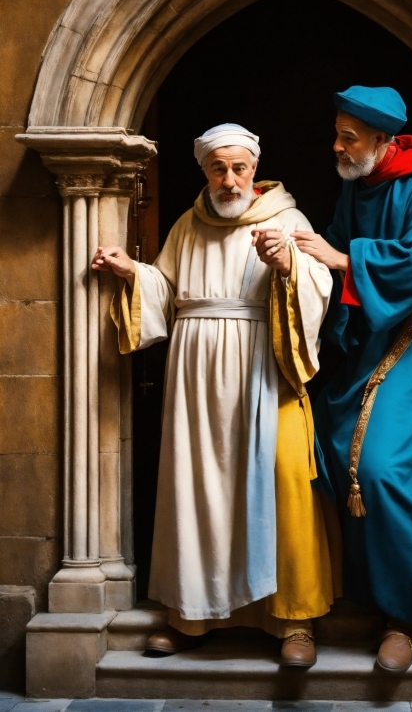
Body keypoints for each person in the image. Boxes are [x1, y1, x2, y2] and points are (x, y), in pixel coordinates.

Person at [92, 123, 336, 666]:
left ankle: (293, 622)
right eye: (218, 169)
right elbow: (166, 286)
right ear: (205, 171)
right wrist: (133, 271)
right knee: (197, 487)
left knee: (284, 480)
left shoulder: (287, 219)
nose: (229, 180)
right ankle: (192, 615)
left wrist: (289, 264)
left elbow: (321, 284)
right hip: (196, 377)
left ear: (254, 169)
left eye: (239, 168)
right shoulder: (188, 223)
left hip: (264, 369)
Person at [292, 86, 412, 672]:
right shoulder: (358, 181)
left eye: (349, 136)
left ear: (382, 139)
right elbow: (327, 245)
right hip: (368, 338)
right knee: (319, 450)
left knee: (382, 468)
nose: (338, 146)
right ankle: (350, 596)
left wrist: (343, 260)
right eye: (338, 133)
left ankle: (407, 618)